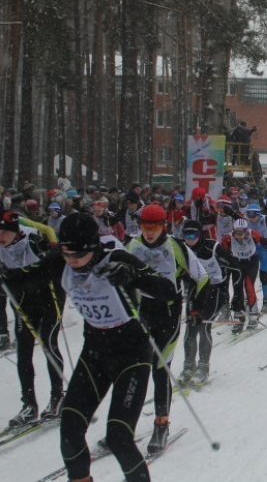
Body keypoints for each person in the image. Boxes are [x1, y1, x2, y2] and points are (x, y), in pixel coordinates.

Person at [0, 212, 180, 481]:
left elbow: (167, 290)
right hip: (94, 352)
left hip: (131, 355)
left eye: (77, 255)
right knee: (70, 431)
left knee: (119, 436)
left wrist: (134, 277)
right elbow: (24, 277)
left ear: (93, 247)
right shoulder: (60, 261)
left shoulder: (116, 259)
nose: (71, 261)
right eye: (66, 254)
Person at [127, 204, 208, 453]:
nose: (149, 232)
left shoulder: (175, 247)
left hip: (169, 313)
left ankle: (161, 425)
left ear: (164, 226)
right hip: (144, 312)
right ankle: (124, 426)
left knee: (160, 368)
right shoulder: (132, 246)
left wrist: (197, 310)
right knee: (134, 369)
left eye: (154, 227)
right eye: (144, 227)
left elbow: (202, 276)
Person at [0, 209, 64, 427]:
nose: (0, 237)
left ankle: (57, 396)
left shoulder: (32, 239)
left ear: (13, 230)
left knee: (48, 342)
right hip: (23, 299)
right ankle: (29, 404)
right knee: (24, 349)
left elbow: (55, 264)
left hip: (49, 296)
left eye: (3, 232)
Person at [178, 219, 238, 385]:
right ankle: (188, 366)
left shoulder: (213, 247)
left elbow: (235, 268)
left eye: (193, 234)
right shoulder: (182, 249)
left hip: (215, 290)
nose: (190, 238)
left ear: (200, 234)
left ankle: (203, 367)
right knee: (191, 326)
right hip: (194, 290)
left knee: (204, 325)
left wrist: (236, 294)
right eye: (186, 234)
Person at [220, 218, 262, 333]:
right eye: (236, 233)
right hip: (237, 262)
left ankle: (254, 315)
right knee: (237, 288)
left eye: (241, 233)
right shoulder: (228, 238)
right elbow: (221, 250)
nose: (238, 236)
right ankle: (239, 317)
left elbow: (263, 241)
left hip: (251, 261)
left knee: (248, 286)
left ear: (246, 231)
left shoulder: (252, 234)